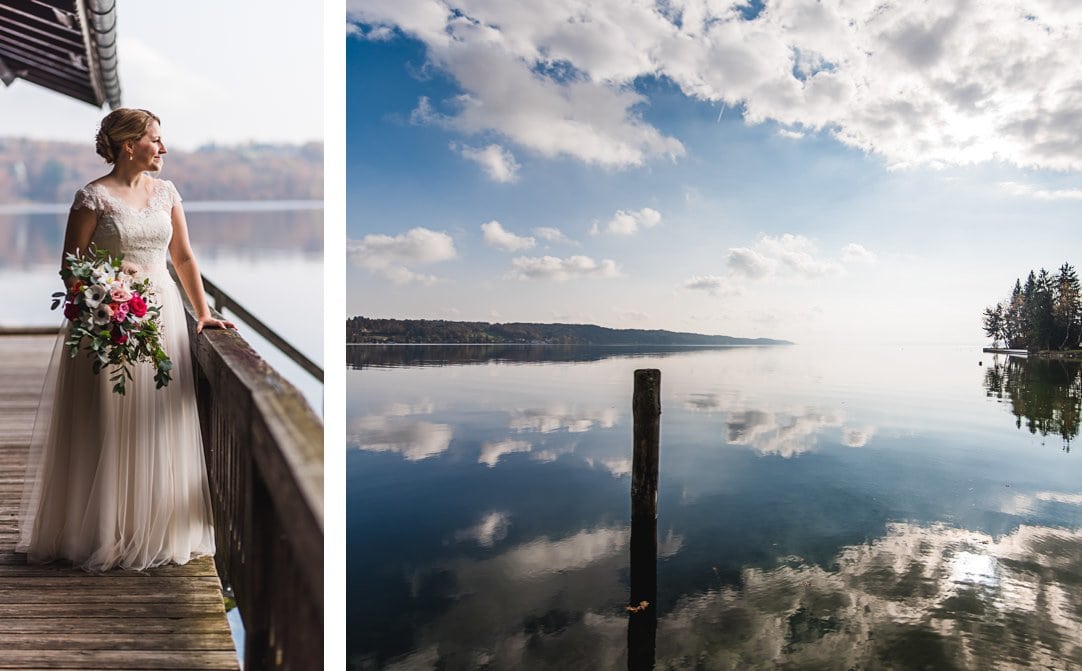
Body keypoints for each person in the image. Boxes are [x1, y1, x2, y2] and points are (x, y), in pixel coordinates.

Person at [17, 108, 235, 572]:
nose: (164, 147)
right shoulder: (92, 197)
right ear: (128, 145)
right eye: (156, 139)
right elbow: (70, 266)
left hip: (163, 315)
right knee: (110, 419)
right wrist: (105, 304)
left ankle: (154, 526)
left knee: (156, 418)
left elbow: (184, 257)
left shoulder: (167, 193)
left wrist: (203, 313)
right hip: (108, 319)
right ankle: (102, 530)